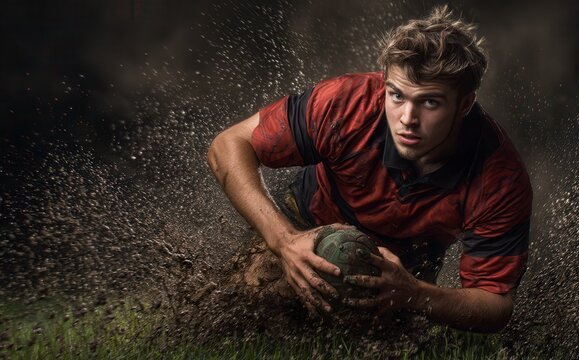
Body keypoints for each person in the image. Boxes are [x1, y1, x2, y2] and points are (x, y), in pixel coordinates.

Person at [207, 5, 532, 333]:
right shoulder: (347, 104)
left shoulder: (498, 178)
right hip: (307, 225)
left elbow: (496, 304)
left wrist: (416, 295)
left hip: (401, 275)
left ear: (464, 104)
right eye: (396, 96)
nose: (407, 118)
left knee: (380, 342)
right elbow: (228, 145)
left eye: (429, 102)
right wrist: (284, 240)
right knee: (242, 304)